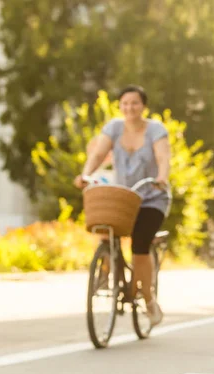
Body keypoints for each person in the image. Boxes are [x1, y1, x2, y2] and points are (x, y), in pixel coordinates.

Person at [74, 85, 170, 327]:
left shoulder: (155, 130)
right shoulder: (114, 128)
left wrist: (162, 177)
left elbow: (163, 158)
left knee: (140, 244)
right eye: (125, 103)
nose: (130, 108)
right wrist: (86, 174)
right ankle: (108, 271)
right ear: (120, 106)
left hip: (152, 196)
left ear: (143, 106)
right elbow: (97, 155)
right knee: (106, 230)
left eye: (135, 103)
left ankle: (148, 299)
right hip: (124, 197)